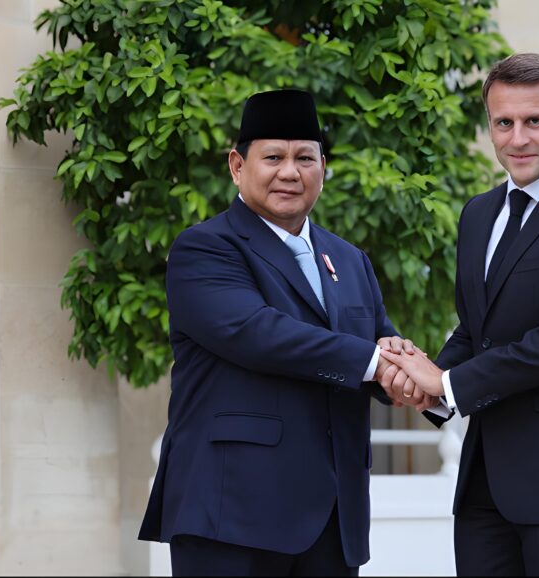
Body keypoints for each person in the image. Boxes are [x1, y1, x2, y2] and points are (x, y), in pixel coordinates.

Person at [138, 88, 432, 576]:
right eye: (272, 157)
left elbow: (379, 342)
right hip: (232, 516)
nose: (290, 172)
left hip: (333, 521)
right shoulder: (205, 248)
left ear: (324, 166)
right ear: (237, 166)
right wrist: (376, 362)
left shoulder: (350, 260)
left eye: (305, 158)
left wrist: (404, 367)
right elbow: (259, 333)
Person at [378, 53, 539, 576]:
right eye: (504, 123)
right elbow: (476, 329)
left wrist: (447, 383)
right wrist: (420, 382)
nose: (517, 138)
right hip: (484, 483)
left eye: (534, 121)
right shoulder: (478, 214)